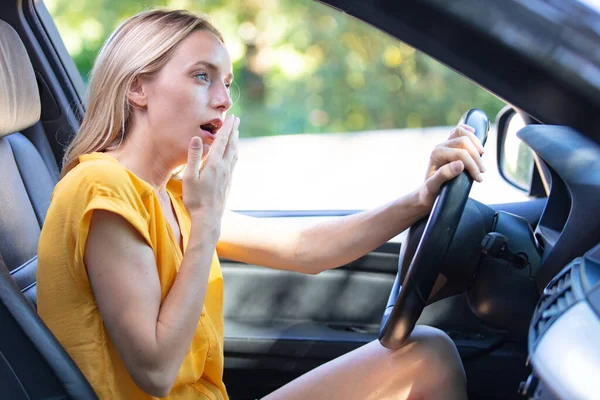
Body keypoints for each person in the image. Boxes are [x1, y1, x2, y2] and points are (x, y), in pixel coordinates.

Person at [37, 9, 486, 400]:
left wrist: (420, 199)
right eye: (202, 76)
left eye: (227, 83)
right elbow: (155, 372)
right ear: (138, 88)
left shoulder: (170, 193)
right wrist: (207, 221)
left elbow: (307, 249)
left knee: (428, 352)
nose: (224, 98)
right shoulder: (102, 187)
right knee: (430, 356)